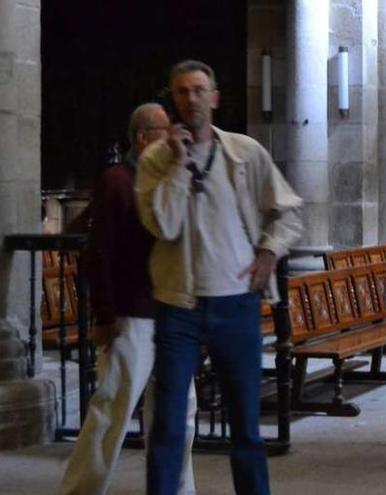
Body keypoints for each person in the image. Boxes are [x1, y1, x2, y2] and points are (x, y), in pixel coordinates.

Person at [136, 60, 303, 495]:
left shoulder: (245, 152)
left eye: (198, 90)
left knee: (246, 424)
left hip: (235, 301)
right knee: (169, 423)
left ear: (214, 98)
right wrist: (177, 164)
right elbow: (164, 226)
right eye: (181, 92)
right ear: (172, 99)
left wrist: (268, 250)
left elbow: (288, 211)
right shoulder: (155, 160)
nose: (190, 99)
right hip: (179, 305)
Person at [60, 103, 197, 495]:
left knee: (177, 416)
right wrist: (105, 314)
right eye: (163, 130)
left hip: (172, 315)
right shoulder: (118, 180)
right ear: (142, 138)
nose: (172, 137)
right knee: (111, 412)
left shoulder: (170, 179)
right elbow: (99, 251)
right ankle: (81, 490)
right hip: (132, 315)